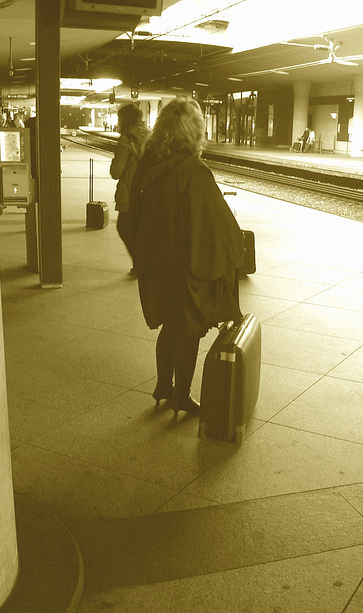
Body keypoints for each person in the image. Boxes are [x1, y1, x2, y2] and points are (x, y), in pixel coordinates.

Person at [129, 98, 245, 415]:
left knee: (170, 324)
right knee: (190, 329)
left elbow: (133, 213)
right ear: (194, 132)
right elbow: (216, 224)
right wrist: (235, 248)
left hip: (157, 260)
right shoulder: (194, 171)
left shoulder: (148, 163)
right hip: (186, 262)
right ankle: (180, 395)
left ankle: (163, 386)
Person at [110, 103, 150, 274]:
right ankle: (142, 265)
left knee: (124, 227)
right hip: (147, 192)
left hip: (131, 194)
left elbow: (116, 172)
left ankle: (142, 265)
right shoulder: (149, 136)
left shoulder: (126, 140)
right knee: (140, 231)